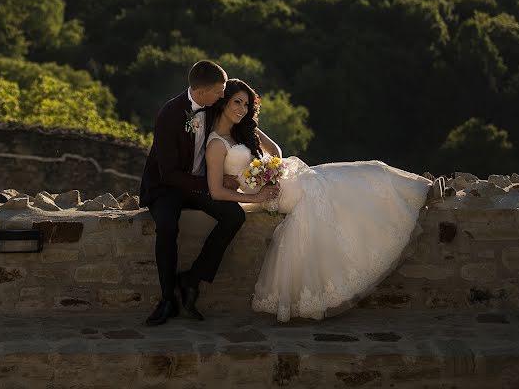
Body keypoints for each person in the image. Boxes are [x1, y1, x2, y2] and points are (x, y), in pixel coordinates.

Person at [205, 78, 446, 322]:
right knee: (342, 184)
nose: (241, 109)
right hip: (276, 194)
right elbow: (216, 192)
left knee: (364, 171)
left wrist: (270, 165)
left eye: (246, 105)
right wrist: (255, 195)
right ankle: (421, 191)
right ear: (223, 101)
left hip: (288, 178)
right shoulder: (216, 144)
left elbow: (276, 151)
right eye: (237, 102)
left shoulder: (242, 131)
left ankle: (421, 188)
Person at [139, 62, 276, 326]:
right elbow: (168, 173)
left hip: (198, 184)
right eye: (219, 91)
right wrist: (212, 185)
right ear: (201, 91)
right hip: (167, 187)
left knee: (233, 216)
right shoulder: (169, 114)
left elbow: (236, 116)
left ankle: (192, 278)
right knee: (167, 226)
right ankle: (167, 299)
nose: (222, 96)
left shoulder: (213, 103)